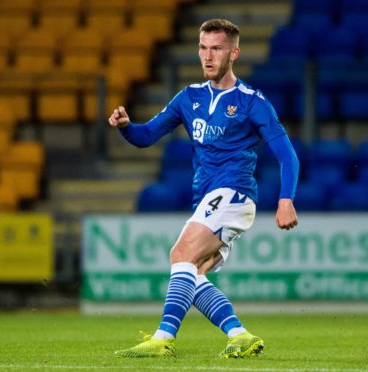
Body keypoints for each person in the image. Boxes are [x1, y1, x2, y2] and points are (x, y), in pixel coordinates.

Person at [108, 18, 299, 359]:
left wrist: (286, 199)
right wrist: (125, 127)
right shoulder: (189, 97)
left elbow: (287, 155)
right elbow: (146, 135)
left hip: (234, 193)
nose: (208, 56)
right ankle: (239, 334)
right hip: (208, 199)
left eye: (216, 48)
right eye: (202, 47)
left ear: (234, 53)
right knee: (190, 272)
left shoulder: (251, 101)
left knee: (180, 254)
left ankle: (163, 338)